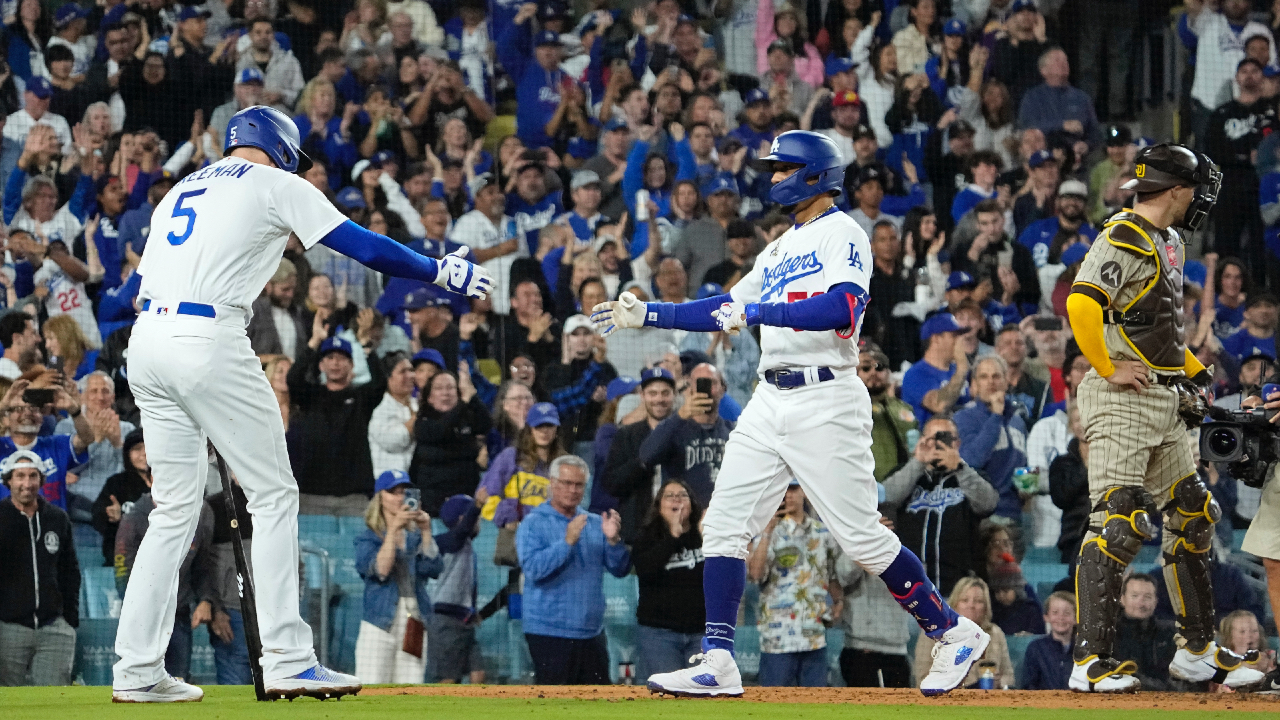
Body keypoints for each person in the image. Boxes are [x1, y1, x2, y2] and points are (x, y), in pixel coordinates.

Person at [111, 106, 493, 702]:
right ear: (281, 146)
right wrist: (437, 270)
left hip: (149, 340)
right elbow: (357, 243)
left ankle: (136, 670)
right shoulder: (274, 182)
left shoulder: (182, 188)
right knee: (273, 494)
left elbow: (127, 294)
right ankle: (289, 657)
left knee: (173, 509)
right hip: (208, 336)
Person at [593, 130, 990, 697]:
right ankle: (719, 659)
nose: (774, 177)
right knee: (725, 527)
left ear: (813, 173)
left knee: (860, 536)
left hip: (825, 396)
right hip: (769, 398)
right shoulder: (779, 247)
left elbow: (842, 307)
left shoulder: (842, 232)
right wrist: (650, 313)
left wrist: (758, 307)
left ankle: (951, 632)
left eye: (783, 168)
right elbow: (724, 306)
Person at [1063, 142, 1262, 692]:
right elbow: (1081, 304)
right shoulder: (1123, 235)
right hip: (1123, 400)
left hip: (1162, 393)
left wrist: (1197, 373)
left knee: (1194, 513)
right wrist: (1107, 366)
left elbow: (1158, 329)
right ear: (1176, 190)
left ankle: (1196, 651)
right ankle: (1090, 662)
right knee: (1120, 518)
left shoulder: (1168, 239)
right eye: (1197, 187)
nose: (1202, 198)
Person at [516, 455, 630, 684]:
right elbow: (533, 569)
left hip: (591, 632)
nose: (572, 490)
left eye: (578, 484)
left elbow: (620, 569)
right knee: (555, 709)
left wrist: (614, 541)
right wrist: (566, 542)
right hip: (548, 632)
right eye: (566, 483)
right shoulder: (533, 523)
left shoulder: (596, 523)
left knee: (599, 706)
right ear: (552, 483)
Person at [881, 416, 997, 596]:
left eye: (944, 438)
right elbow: (886, 498)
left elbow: (988, 503)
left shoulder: (973, 476)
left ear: (957, 444)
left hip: (958, 590)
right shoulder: (904, 473)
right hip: (909, 587)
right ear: (921, 441)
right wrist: (917, 463)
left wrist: (960, 468)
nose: (937, 444)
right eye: (931, 438)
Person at [748, 481, 842, 687]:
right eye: (782, 490)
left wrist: (838, 599)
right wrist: (766, 532)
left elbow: (832, 572)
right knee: (774, 708)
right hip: (777, 637)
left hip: (813, 634)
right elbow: (755, 574)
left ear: (805, 492)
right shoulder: (768, 531)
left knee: (816, 706)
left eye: (792, 489)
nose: (787, 495)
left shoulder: (822, 533)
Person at [353, 470, 443, 684]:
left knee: (410, 687)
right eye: (393, 492)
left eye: (404, 492)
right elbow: (381, 570)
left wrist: (426, 531)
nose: (400, 497)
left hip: (414, 619)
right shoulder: (367, 538)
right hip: (379, 620)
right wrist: (392, 530)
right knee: (372, 684)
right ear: (380, 498)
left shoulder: (415, 538)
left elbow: (435, 569)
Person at [0, 451, 79, 687]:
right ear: (9, 480)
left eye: (33, 476)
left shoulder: (57, 518)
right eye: (20, 476)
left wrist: (69, 619)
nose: (27, 483)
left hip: (53, 627)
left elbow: (70, 572)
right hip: (8, 628)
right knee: (8, 702)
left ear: (41, 480)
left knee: (54, 701)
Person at [632, 480, 706, 681]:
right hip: (659, 634)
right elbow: (646, 572)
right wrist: (673, 535)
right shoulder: (647, 535)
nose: (677, 499)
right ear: (659, 505)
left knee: (703, 699)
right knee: (664, 696)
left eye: (682, 495)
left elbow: (720, 578)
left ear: (692, 503)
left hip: (701, 633)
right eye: (669, 496)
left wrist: (708, 537)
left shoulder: (704, 535)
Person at [637, 363, 733, 508]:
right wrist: (680, 416)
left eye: (711, 382)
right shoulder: (674, 427)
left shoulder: (734, 432)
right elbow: (646, 456)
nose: (706, 388)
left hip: (723, 519)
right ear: (689, 389)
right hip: (683, 521)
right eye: (699, 382)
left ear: (722, 389)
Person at [602, 367, 677, 543]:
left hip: (679, 534)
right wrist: (641, 464)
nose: (659, 399)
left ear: (674, 395)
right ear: (642, 396)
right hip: (637, 533)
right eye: (653, 393)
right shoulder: (626, 435)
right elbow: (611, 484)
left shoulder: (686, 432)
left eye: (665, 393)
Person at [954, 355, 1029, 521]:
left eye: (996, 376)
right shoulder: (964, 419)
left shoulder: (1017, 421)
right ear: (974, 385)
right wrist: (996, 416)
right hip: (982, 515)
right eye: (984, 377)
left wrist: (1027, 487)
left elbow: (1023, 466)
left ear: (1006, 381)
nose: (991, 382)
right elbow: (972, 460)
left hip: (1015, 514)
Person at [409, 370, 491, 514]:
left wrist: (473, 398)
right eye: (439, 388)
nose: (445, 393)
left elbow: (486, 425)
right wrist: (463, 403)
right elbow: (440, 430)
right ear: (429, 398)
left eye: (450, 387)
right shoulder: (423, 422)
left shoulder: (466, 417)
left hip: (467, 495)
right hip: (434, 502)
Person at [913, 576, 1015, 689]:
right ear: (954, 604)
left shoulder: (995, 633)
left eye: (978, 601)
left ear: (986, 607)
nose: (971, 605)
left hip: (989, 701)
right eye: (965, 600)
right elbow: (922, 678)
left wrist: (1000, 682)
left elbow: (1009, 676)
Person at [90, 429, 148, 566]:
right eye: (137, 449)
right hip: (122, 561)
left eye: (149, 447)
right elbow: (97, 516)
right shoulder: (116, 483)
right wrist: (111, 516)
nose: (144, 453)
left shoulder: (167, 484)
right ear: (127, 454)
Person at [1112, 574, 1179, 691]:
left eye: (1147, 597)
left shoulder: (1171, 633)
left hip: (1168, 700)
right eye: (1134, 596)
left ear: (1155, 601)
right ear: (1122, 599)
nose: (1141, 603)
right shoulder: (1110, 634)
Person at [901, 313, 969, 426]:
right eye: (954, 336)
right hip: (933, 439)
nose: (960, 341)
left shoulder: (956, 370)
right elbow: (939, 404)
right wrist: (962, 368)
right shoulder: (915, 374)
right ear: (936, 338)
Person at [860, 348, 917, 482]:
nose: (873, 372)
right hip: (871, 484)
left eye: (879, 367)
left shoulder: (903, 409)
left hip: (907, 484)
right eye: (866, 368)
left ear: (888, 372)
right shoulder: (853, 408)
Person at [368, 352, 417, 475]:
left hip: (415, 482)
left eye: (411, 370)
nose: (410, 375)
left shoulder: (417, 404)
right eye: (403, 372)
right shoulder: (379, 409)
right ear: (388, 378)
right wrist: (420, 416)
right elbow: (395, 440)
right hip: (389, 486)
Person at [1018, 591, 1077, 690]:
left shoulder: (1085, 651)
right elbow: (1028, 686)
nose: (1061, 618)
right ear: (1046, 617)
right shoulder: (1036, 649)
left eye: (1067, 613)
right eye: (1055, 612)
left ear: (1076, 618)